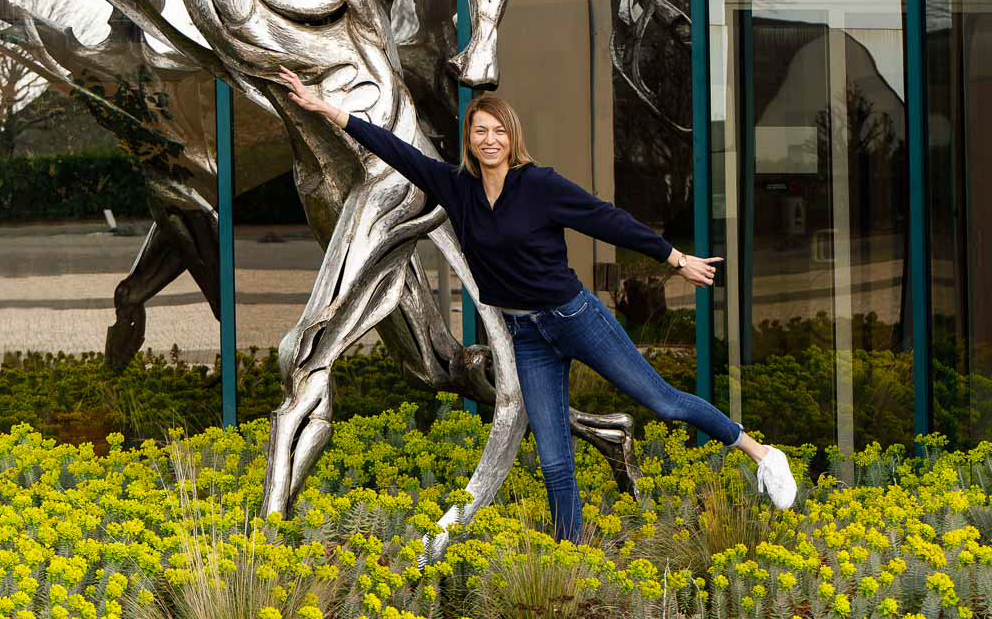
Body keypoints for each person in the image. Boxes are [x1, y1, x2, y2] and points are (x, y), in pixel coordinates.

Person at [278, 66, 798, 541]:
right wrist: (325, 108)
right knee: (554, 460)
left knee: (663, 401)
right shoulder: (456, 189)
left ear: (512, 137)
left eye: (498, 131)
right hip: (526, 337)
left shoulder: (539, 186)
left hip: (575, 318)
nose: (489, 140)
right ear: (469, 140)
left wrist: (674, 257)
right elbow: (395, 150)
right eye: (480, 131)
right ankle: (571, 557)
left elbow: (605, 219)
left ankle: (762, 455)